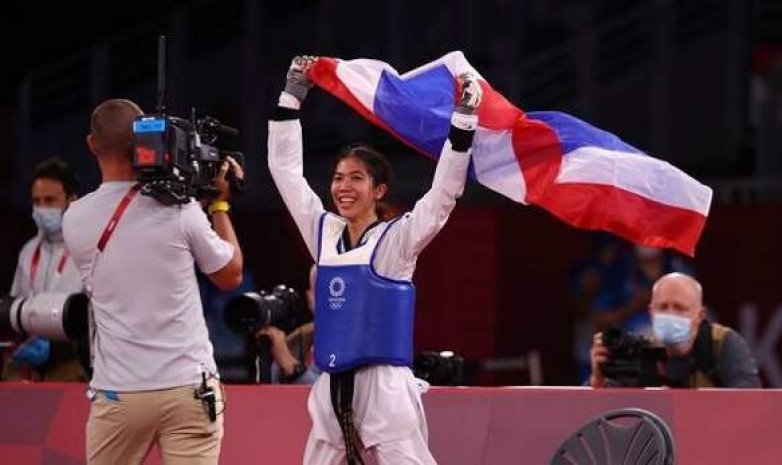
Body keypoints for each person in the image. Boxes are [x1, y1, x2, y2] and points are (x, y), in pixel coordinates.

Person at [268, 56, 481, 464]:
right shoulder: (322, 233)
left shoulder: (395, 241)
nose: (343, 187)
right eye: (337, 177)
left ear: (379, 190)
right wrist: (292, 96)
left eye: (356, 178)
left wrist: (465, 122)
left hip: (384, 389)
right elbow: (286, 173)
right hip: (331, 386)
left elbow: (442, 198)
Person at [62, 99, 244, 465]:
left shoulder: (74, 219)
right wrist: (220, 205)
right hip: (188, 389)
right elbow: (230, 274)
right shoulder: (181, 209)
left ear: (92, 145)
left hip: (119, 395)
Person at [589, 272, 761, 388]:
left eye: (680, 308)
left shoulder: (722, 344)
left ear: (700, 316)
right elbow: (595, 418)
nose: (670, 314)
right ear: (651, 312)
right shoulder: (637, 350)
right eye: (663, 307)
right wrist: (597, 381)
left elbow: (751, 406)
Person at [2, 157, 86, 382]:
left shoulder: (87, 250)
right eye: (36, 201)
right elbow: (15, 307)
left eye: (50, 200)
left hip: (74, 357)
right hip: (33, 353)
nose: (42, 209)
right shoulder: (28, 251)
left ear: (71, 201)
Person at [258, 264, 319, 385]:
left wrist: (289, 364)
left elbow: (330, 398)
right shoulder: (293, 342)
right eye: (323, 292)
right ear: (310, 299)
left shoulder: (359, 345)